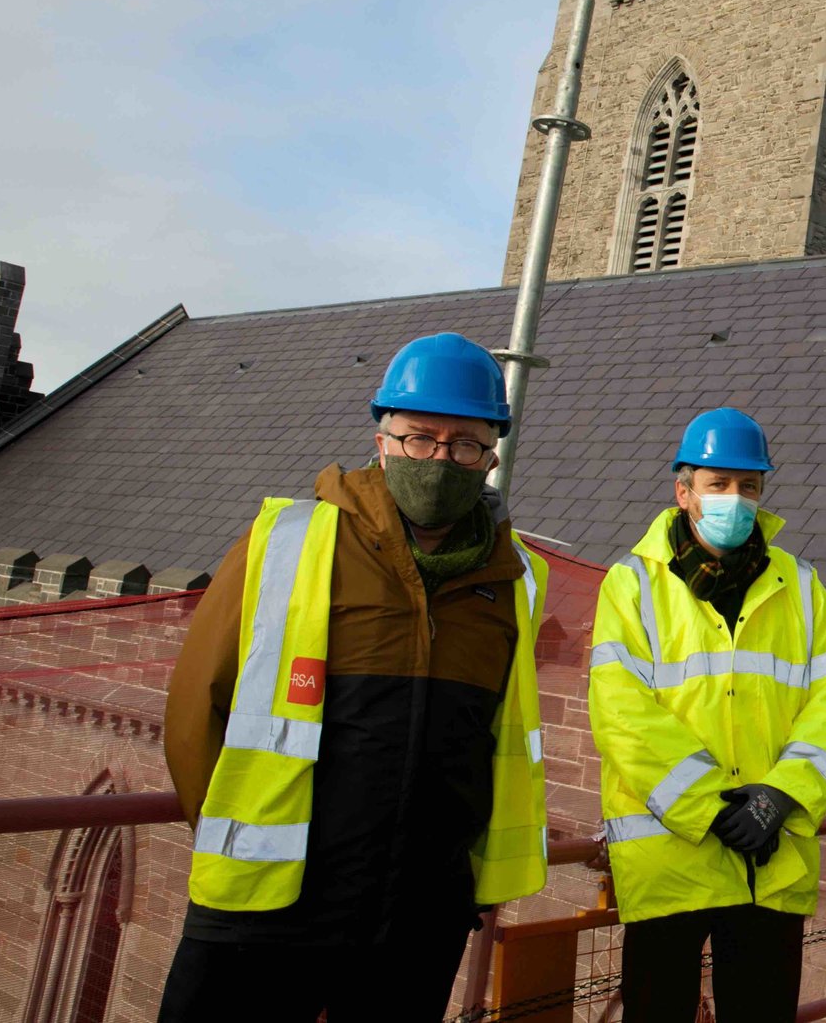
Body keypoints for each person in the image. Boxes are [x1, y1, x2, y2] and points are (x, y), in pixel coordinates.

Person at [158, 332, 551, 1022]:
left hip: (418, 918)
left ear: (491, 457)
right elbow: (197, 706)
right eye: (419, 437)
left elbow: (494, 741)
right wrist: (241, 843)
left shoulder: (515, 578)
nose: (439, 459)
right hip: (268, 909)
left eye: (464, 445)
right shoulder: (288, 540)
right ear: (381, 440)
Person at [588, 408, 826, 1023]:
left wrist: (779, 795)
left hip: (767, 862)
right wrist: (711, 806)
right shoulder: (633, 584)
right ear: (683, 492)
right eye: (718, 484)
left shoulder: (800, 584)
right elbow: (622, 713)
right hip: (672, 860)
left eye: (749, 486)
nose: (734, 499)